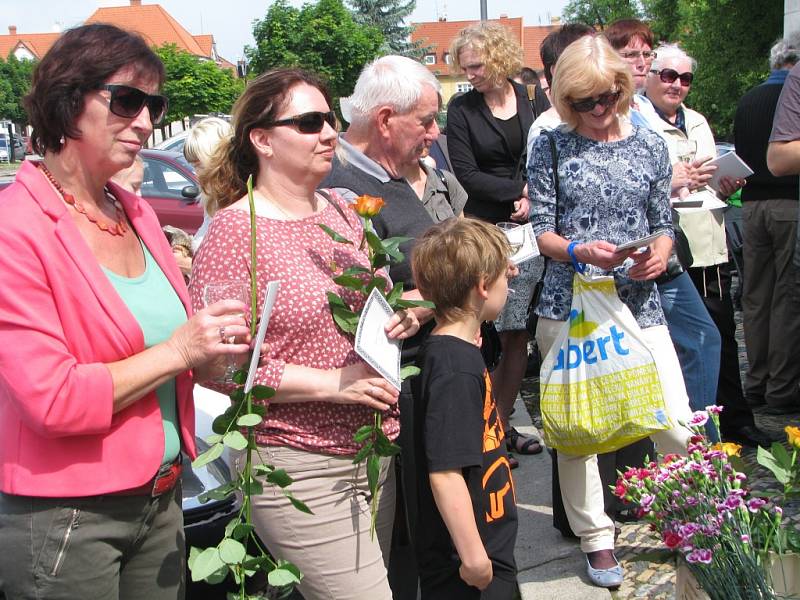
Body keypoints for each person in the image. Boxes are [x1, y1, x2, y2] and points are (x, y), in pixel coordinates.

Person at [0, 24, 252, 600]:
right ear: (68, 102)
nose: (146, 121)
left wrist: (211, 355)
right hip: (66, 516)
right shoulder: (14, 228)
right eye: (126, 100)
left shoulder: (134, 212)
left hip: (159, 499)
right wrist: (180, 350)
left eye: (153, 104)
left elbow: (170, 357)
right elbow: (53, 398)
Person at [190, 68, 420, 600]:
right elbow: (215, 365)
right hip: (295, 460)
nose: (329, 133)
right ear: (263, 139)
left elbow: (366, 311)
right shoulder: (234, 231)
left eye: (331, 119)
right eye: (311, 122)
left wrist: (400, 317)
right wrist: (331, 383)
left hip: (371, 447)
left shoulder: (343, 210)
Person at [529, 36, 694, 588]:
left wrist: (661, 254)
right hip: (569, 300)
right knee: (579, 431)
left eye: (605, 98)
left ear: (623, 90)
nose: (597, 112)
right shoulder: (551, 145)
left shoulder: (649, 145)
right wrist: (579, 251)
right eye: (583, 103)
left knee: (674, 422)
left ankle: (684, 514)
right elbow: (542, 231)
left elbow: (663, 221)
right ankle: (596, 539)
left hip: (639, 301)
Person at [322, 55, 463, 600]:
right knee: (397, 531)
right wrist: (433, 296)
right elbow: (351, 295)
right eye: (426, 121)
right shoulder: (338, 183)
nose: (435, 132)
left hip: (418, 375)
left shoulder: (388, 175)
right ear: (385, 120)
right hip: (380, 387)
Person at [645, 44, 775, 444]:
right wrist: (676, 178)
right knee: (681, 343)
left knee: (717, 331)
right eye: (668, 76)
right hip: (670, 245)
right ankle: (693, 432)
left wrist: (725, 181)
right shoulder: (639, 120)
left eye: (685, 79)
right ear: (650, 76)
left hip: (709, 237)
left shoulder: (697, 120)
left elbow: (711, 177)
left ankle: (732, 419)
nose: (677, 85)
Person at [605, 21, 723, 425]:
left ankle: (698, 449)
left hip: (663, 248)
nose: (641, 62)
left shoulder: (645, 114)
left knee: (703, 337)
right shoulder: (592, 115)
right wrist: (668, 179)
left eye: (645, 53)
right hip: (610, 259)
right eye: (631, 54)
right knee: (639, 356)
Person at [447, 22, 544, 460]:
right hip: (487, 231)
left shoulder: (530, 95)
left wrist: (532, 195)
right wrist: (515, 194)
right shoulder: (462, 108)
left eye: (478, 66)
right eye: (465, 67)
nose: (471, 75)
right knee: (485, 332)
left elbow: (547, 150)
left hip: (531, 231)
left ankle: (502, 426)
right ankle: (482, 429)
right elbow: (466, 173)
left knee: (518, 334)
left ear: (500, 59)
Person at [410, 217, 518, 600]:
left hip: (486, 544)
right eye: (505, 274)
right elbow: (445, 473)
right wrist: (474, 558)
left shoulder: (455, 352)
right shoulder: (454, 369)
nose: (511, 281)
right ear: (483, 287)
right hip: (469, 565)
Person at [738, 36, 800, 415]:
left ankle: (756, 382)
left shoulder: (749, 99)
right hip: (789, 203)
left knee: (756, 298)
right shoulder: (787, 96)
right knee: (788, 299)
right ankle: (781, 387)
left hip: (751, 206)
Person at [182, 116, 233, 252]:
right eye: (194, 167)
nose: (196, 174)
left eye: (199, 166)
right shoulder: (213, 201)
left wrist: (186, 264)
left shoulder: (237, 207)